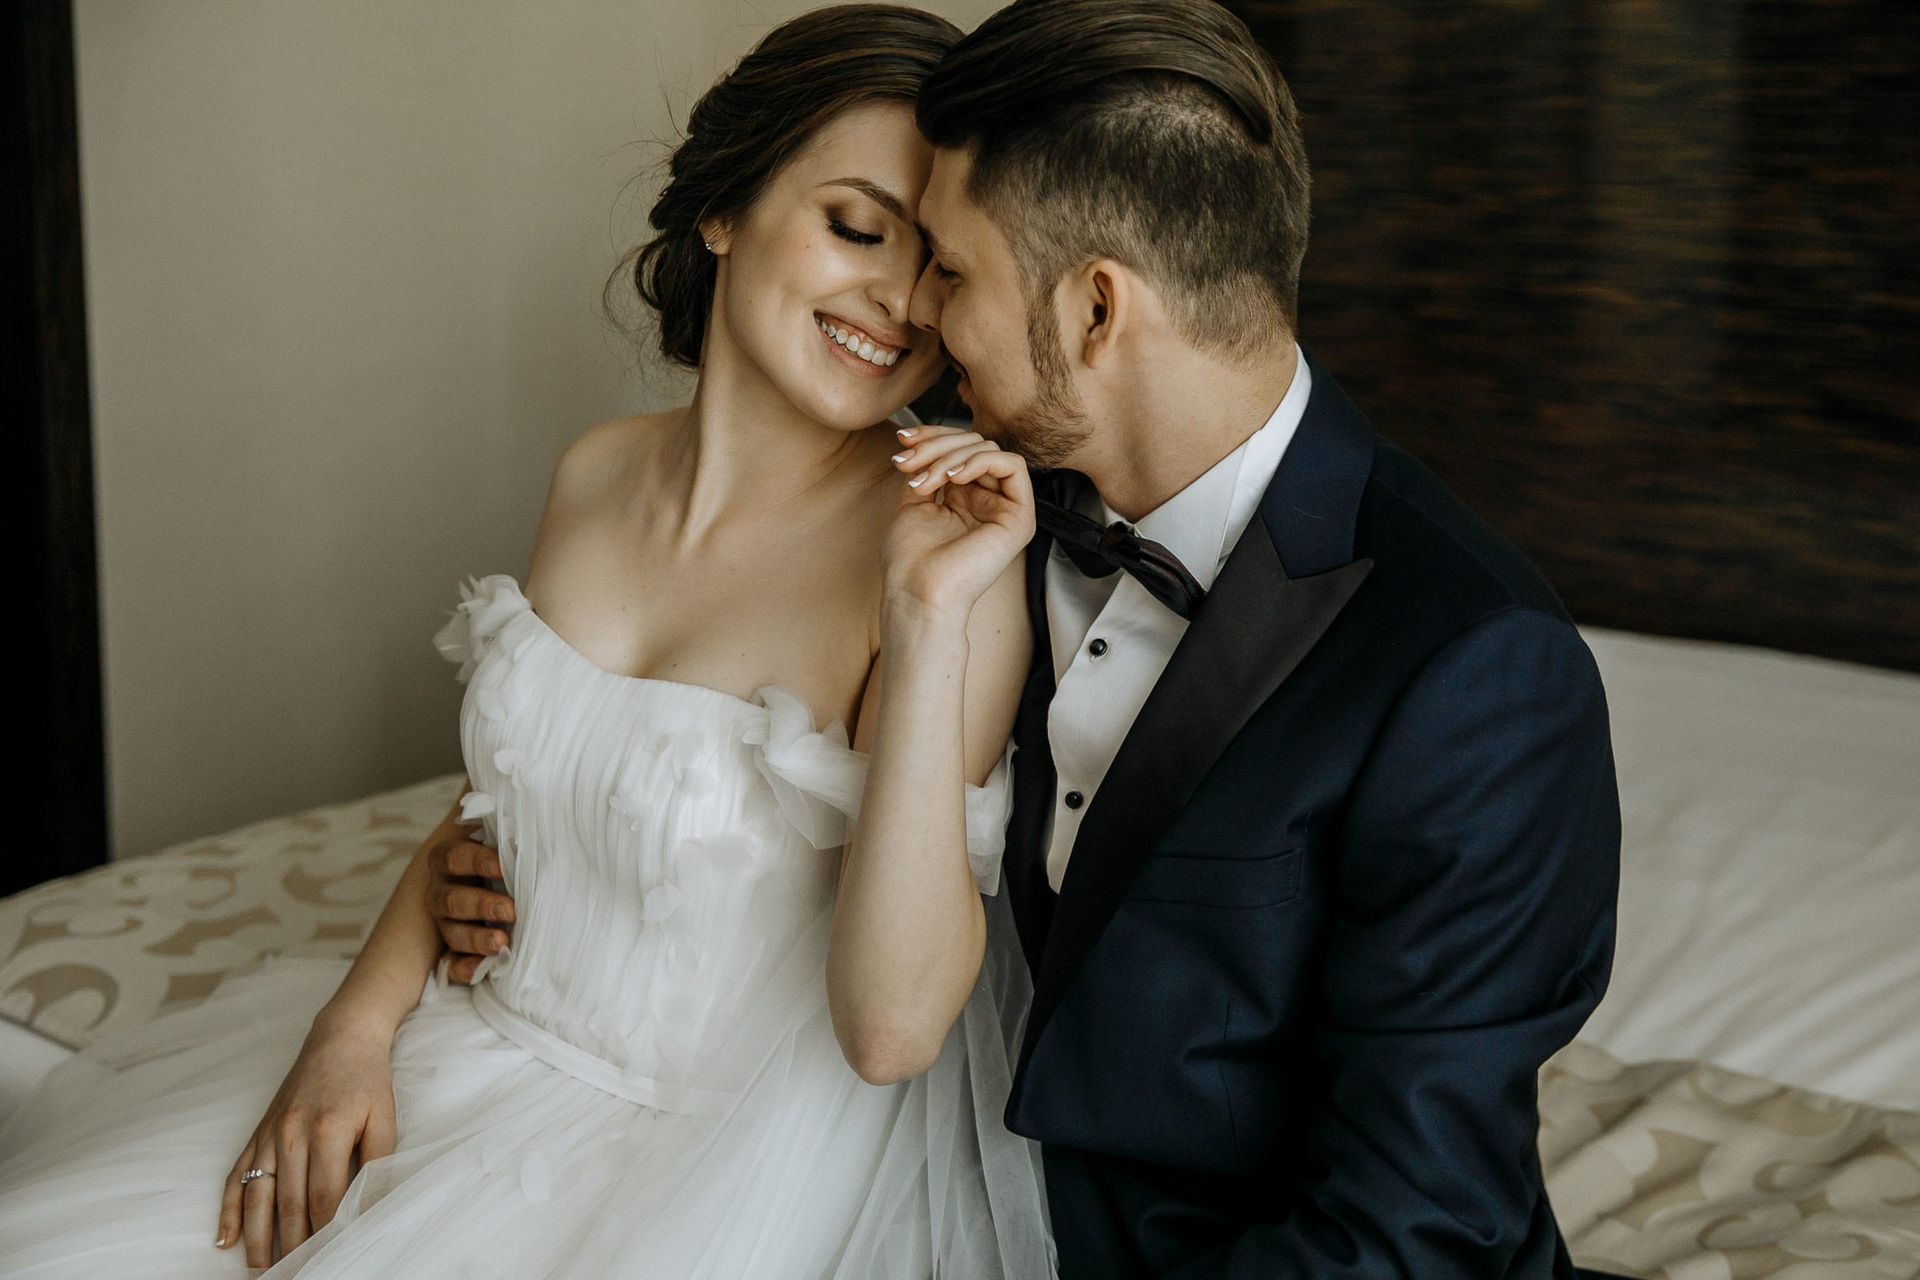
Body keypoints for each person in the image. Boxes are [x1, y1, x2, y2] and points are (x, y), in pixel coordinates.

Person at [427, 0, 1626, 1276]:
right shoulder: (970, 503)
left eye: (950, 267)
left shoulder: (1472, 670)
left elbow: (1410, 1231)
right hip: (895, 1188)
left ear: (1096, 313)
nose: (917, 311)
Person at [0, 7, 1059, 1277]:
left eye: (934, 263)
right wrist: (353, 1023)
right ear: (723, 207)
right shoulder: (597, 473)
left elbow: (894, 1030)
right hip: (474, 1042)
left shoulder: (942, 566)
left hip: (704, 1166)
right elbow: (510, 806)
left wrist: (926, 617)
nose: (897, 300)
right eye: (855, 226)